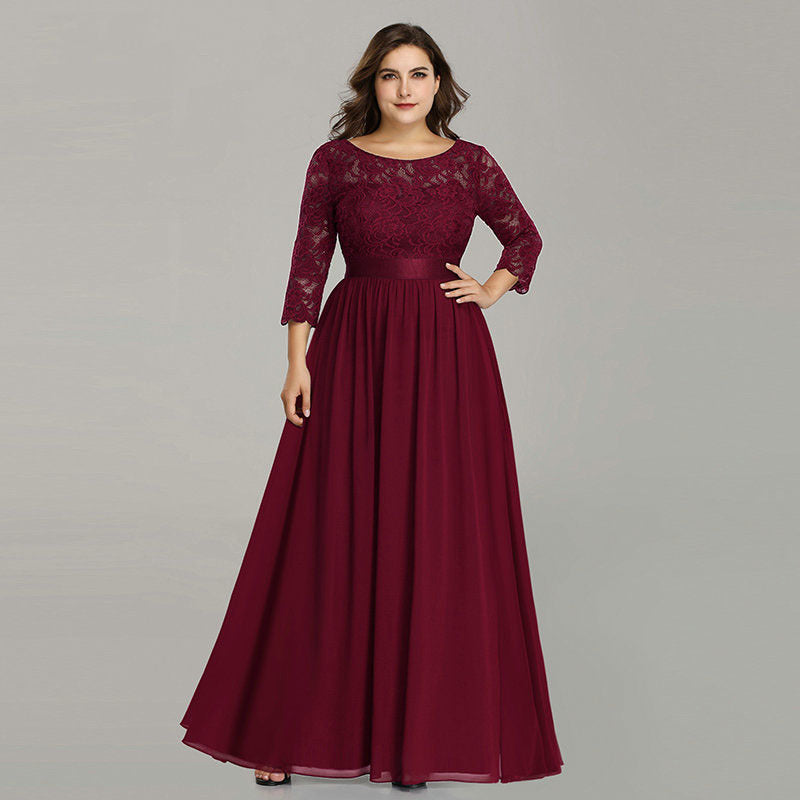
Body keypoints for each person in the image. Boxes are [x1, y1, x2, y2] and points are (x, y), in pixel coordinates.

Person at [179, 23, 564, 789]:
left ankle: (416, 745)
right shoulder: (335, 162)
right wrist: (296, 362)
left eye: (418, 74)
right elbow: (308, 262)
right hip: (353, 349)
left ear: (439, 83)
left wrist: (490, 288)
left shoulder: (471, 163)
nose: (405, 88)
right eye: (391, 75)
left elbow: (524, 238)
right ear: (372, 85)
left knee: (436, 530)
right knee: (324, 531)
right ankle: (279, 735)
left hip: (449, 357)